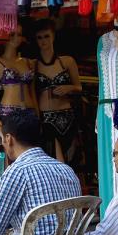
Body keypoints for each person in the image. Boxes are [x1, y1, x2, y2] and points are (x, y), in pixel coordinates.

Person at [32, 19, 84, 165]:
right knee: (51, 162)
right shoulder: (32, 65)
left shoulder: (67, 61)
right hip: (45, 118)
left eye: (46, 36)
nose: (43, 41)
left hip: (66, 116)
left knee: (70, 159)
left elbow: (79, 87)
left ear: (53, 36)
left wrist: (69, 88)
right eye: (39, 37)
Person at [0, 25, 38, 134]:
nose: (16, 38)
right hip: (8, 113)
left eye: (19, 34)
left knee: (30, 148)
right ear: (4, 36)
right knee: (12, 149)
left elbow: (32, 91)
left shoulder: (29, 62)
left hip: (30, 112)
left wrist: (37, 113)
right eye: (12, 34)